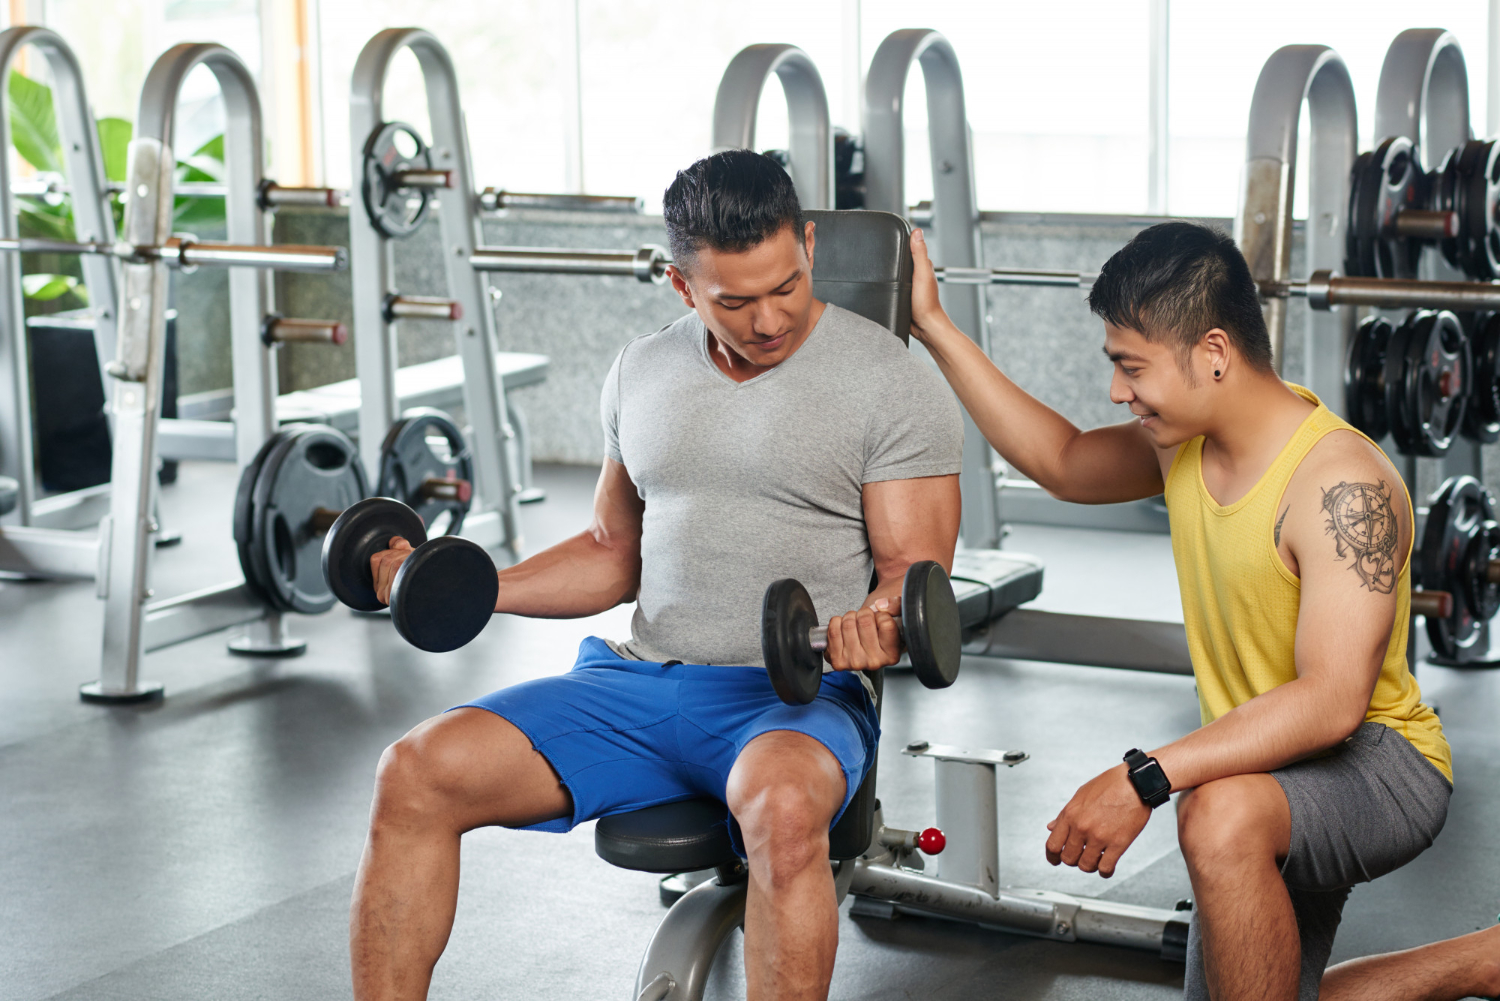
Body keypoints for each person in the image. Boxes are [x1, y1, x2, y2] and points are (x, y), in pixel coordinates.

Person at [349, 149, 963, 1001]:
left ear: (810, 245)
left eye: (786, 285)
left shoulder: (891, 381)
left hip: (792, 701)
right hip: (635, 685)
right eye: (736, 301)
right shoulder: (642, 369)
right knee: (413, 771)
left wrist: (879, 619)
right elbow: (611, 551)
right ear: (683, 286)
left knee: (782, 808)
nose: (770, 319)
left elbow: (913, 578)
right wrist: (462, 582)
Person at [907, 220, 1463, 1001]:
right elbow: (1061, 461)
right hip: (1262, 767)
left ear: (1212, 352)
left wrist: (1144, 778)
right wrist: (931, 324)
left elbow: (1334, 701)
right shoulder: (1183, 443)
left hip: (1377, 763)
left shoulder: (1343, 486)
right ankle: (1463, 966)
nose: (1116, 390)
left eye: (1131, 366)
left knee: (1216, 813)